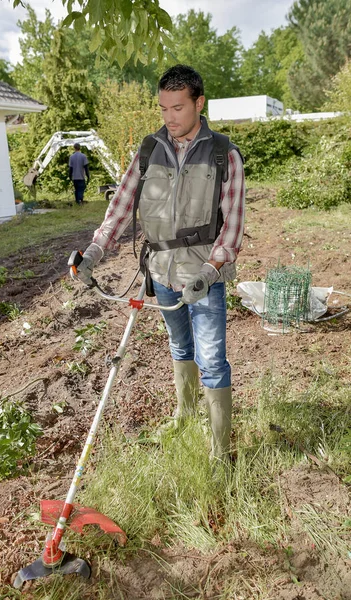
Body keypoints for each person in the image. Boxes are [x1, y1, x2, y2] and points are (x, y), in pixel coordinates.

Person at [73, 65, 245, 461]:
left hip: (203, 276)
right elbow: (119, 209)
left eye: (178, 108)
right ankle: (185, 415)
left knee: (213, 359)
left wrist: (210, 271)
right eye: (163, 108)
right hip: (161, 272)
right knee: (179, 344)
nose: (169, 117)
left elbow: (232, 228)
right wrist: (95, 252)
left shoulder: (223, 154)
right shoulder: (150, 150)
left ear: (199, 104)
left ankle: (220, 453)